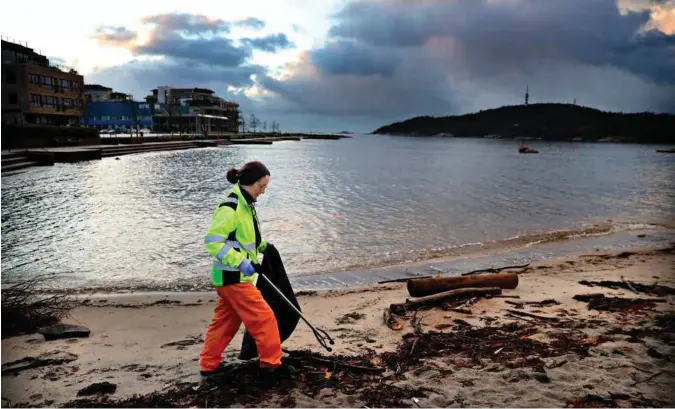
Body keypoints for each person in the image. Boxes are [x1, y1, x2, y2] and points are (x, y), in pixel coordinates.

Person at [199, 160, 289, 382]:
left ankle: (209, 364)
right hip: (233, 277)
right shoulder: (230, 206)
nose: (263, 191)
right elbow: (213, 242)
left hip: (231, 278)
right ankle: (271, 365)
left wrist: (263, 247)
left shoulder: (246, 203)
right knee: (264, 318)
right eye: (262, 186)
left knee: (226, 322)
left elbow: (244, 238)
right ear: (251, 182)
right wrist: (241, 263)